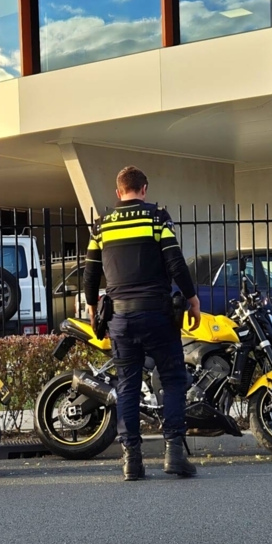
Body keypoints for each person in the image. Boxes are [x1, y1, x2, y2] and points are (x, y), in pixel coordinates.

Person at [83, 166, 201, 481]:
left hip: (120, 317)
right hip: (158, 315)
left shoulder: (102, 225)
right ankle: (174, 453)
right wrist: (192, 299)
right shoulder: (157, 218)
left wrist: (93, 308)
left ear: (118, 191)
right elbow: (175, 262)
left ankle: (131, 461)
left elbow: (91, 273)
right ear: (144, 189)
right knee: (174, 379)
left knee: (127, 386)